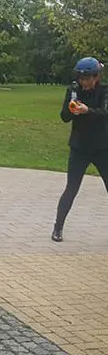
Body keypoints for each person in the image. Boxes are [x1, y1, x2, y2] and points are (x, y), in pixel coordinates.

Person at [51, 56, 108, 242]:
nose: (84, 82)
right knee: (71, 188)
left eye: (87, 78)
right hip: (79, 148)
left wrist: (87, 110)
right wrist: (71, 108)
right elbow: (64, 117)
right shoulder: (73, 90)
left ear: (96, 77)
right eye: (81, 78)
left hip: (102, 148)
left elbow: (105, 112)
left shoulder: (104, 91)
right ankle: (57, 228)